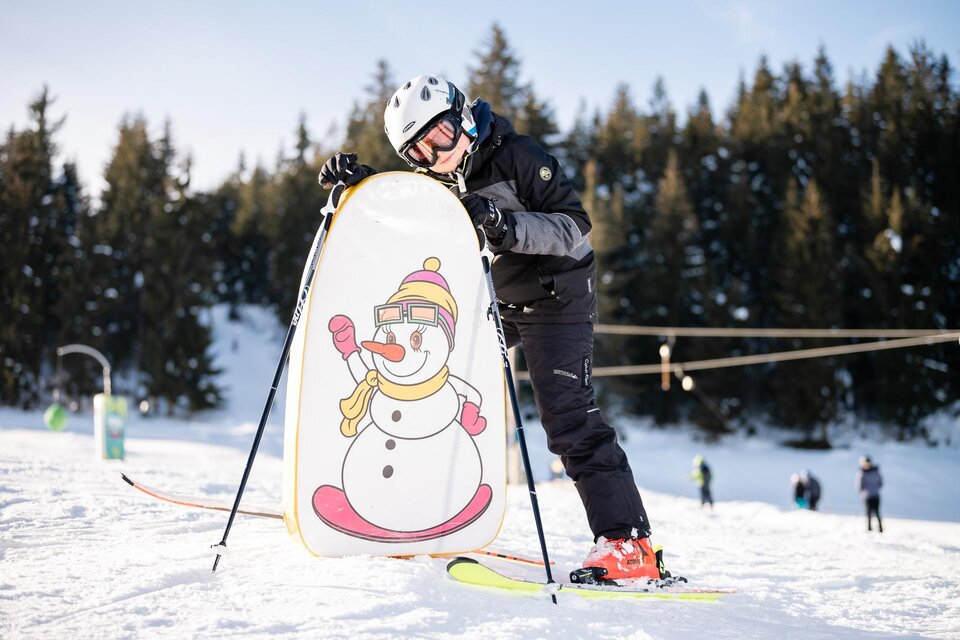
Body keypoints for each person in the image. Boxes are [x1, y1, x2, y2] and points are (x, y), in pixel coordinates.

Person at [319, 74, 660, 581]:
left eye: (438, 136)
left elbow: (574, 226)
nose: (436, 155)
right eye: (419, 153)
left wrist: (502, 223)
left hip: (555, 293)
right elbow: (403, 221)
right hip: (494, 299)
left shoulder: (516, 154)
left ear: (461, 116)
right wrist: (364, 186)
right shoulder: (435, 180)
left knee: (566, 417)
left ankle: (628, 547)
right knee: (430, 387)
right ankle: (417, 513)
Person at [857, 456, 883, 533]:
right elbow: (859, 486)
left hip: (874, 495)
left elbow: (880, 483)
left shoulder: (872, 472)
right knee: (869, 512)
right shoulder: (863, 473)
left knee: (876, 512)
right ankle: (869, 528)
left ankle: (880, 528)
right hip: (868, 496)